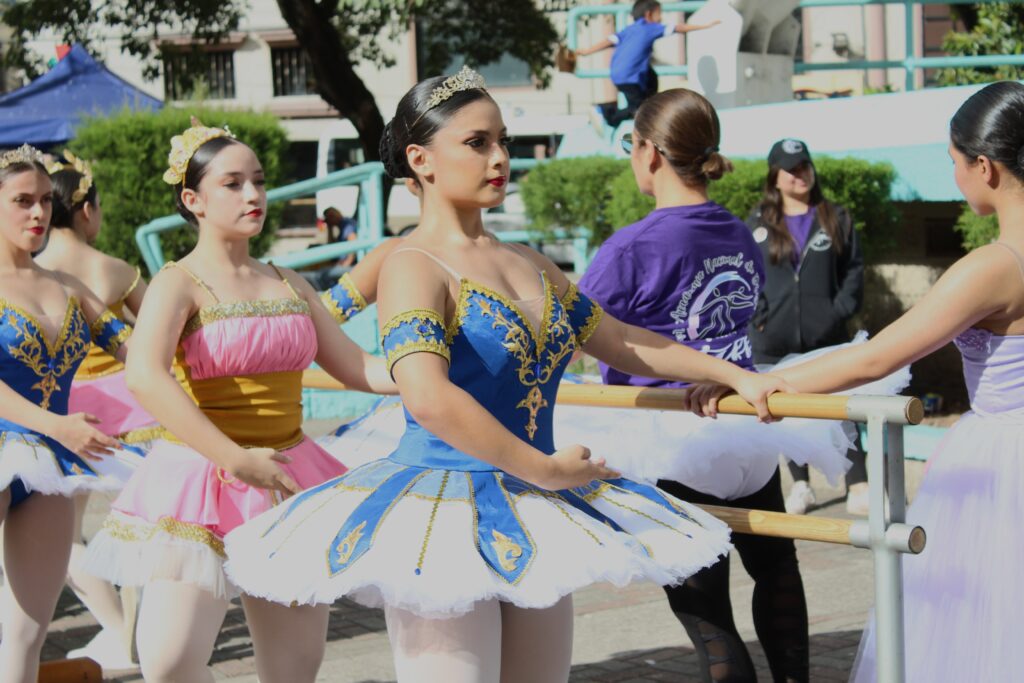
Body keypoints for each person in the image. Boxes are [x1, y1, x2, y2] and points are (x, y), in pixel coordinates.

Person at [223, 66, 790, 683]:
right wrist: (545, 470)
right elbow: (428, 397)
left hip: (537, 503)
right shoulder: (411, 264)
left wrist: (733, 376)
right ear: (421, 159)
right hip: (441, 510)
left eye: (504, 142)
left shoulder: (530, 262)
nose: (499, 158)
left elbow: (620, 340)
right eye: (477, 142)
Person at [686, 81, 1024, 683]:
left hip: (1004, 458)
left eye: (953, 163)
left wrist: (761, 384)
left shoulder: (994, 267)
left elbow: (875, 360)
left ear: (985, 166)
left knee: (984, 626)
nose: (955, 177)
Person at [81, 120, 395, 683]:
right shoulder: (177, 283)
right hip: (203, 478)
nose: (253, 195)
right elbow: (147, 378)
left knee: (295, 668)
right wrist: (233, 458)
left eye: (259, 181)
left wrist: (437, 368)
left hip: (289, 475)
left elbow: (357, 367)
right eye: (233, 183)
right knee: (169, 663)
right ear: (192, 199)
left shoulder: (290, 282)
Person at [575, 89, 820, 683]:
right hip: (745, 429)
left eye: (631, 146)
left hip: (670, 436)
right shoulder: (737, 232)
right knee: (777, 569)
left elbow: (578, 329)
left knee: (707, 610)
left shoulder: (631, 247)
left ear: (651, 154)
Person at [0, 144, 134, 683]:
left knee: (28, 630)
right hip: (32, 437)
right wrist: (56, 424)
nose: (37, 214)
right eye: (21, 201)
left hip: (50, 463)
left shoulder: (69, 287)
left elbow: (142, 356)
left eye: (43, 203)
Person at [34, 150, 154, 669]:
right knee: (142, 531)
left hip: (58, 413)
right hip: (130, 408)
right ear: (86, 210)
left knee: (62, 537)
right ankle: (131, 634)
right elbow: (154, 337)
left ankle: (119, 630)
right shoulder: (114, 268)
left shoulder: (31, 275)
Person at [747, 139, 869, 515]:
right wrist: (760, 317)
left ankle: (859, 484)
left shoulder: (835, 217)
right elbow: (745, 274)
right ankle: (800, 483)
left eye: (804, 166)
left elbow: (853, 270)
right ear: (775, 177)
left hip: (827, 335)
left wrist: (839, 310)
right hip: (773, 338)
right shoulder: (756, 223)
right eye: (790, 168)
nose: (800, 174)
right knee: (782, 412)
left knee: (840, 408)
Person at [575, 0, 720, 127]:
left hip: (618, 74)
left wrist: (588, 51)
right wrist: (706, 26)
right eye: (659, 14)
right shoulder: (650, 27)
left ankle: (648, 107)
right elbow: (678, 28)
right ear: (649, 14)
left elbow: (609, 41)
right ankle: (604, 112)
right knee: (638, 107)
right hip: (630, 79)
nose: (661, 18)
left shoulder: (630, 29)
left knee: (651, 77)